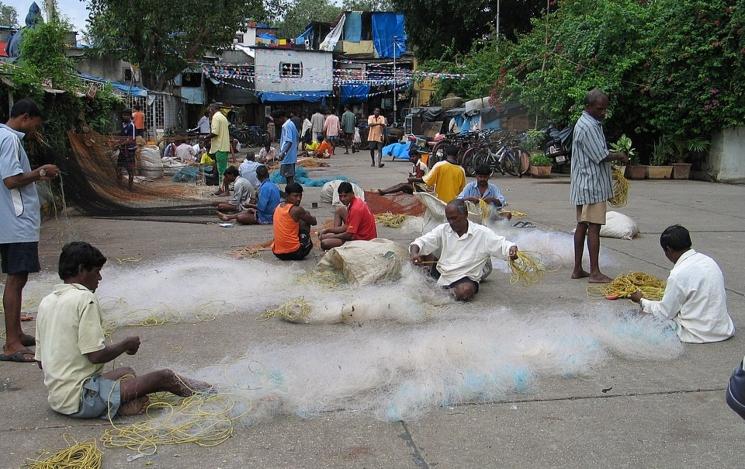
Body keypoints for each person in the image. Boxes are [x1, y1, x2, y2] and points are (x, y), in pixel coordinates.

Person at [35, 242, 210, 418]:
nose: (100, 278)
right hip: (82, 399)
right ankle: (213, 393)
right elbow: (95, 355)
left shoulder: (46, 302)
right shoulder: (84, 298)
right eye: (96, 271)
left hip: (58, 399)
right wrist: (126, 344)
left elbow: (41, 362)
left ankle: (122, 404)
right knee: (164, 377)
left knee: (125, 372)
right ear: (82, 270)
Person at [0, 98, 60, 363]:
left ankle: (16, 333)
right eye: (34, 125)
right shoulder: (10, 140)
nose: (34, 131)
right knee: (16, 278)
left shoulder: (5, 137)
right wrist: (40, 172)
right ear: (25, 117)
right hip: (16, 221)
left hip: (12, 220)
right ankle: (12, 342)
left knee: (19, 278)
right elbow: (11, 180)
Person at [629, 225, 735, 344]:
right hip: (721, 329)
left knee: (633, 316)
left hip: (696, 333)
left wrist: (642, 301)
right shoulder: (709, 261)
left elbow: (664, 313)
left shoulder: (678, 274)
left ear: (668, 250)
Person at [570, 89, 629, 283]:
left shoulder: (590, 123)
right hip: (591, 185)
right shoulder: (589, 126)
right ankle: (594, 272)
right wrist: (619, 155)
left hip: (584, 183)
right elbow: (601, 155)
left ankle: (578, 268)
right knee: (593, 228)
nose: (603, 112)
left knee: (582, 225)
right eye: (599, 109)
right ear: (588, 107)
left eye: (605, 109)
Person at [410, 199, 519, 302]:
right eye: (449, 219)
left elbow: (502, 244)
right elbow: (421, 242)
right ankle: (433, 285)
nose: (451, 222)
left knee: (465, 290)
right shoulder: (443, 229)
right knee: (419, 253)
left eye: (454, 218)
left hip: (464, 278)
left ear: (465, 215)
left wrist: (511, 250)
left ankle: (437, 293)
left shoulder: (482, 233)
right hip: (443, 273)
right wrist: (415, 254)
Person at [319, 182, 377, 250]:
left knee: (324, 243)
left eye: (345, 196)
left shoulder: (356, 208)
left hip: (364, 240)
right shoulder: (354, 202)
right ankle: (333, 235)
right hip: (356, 233)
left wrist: (334, 237)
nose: (342, 199)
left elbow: (349, 235)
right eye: (340, 196)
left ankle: (335, 238)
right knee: (323, 235)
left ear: (352, 194)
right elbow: (346, 226)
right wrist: (327, 230)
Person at [272, 183, 317, 261]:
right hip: (295, 253)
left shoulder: (278, 207)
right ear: (287, 195)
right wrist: (309, 216)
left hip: (277, 253)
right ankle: (303, 243)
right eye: (295, 196)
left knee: (298, 219)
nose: (298, 199)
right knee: (305, 218)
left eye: (300, 196)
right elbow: (314, 222)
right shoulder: (297, 210)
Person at [207, 104, 231, 196]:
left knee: (222, 172)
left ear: (213, 110)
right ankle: (224, 189)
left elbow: (215, 132)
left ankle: (224, 190)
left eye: (210, 111)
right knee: (223, 170)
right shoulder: (223, 117)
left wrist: (205, 138)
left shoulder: (216, 117)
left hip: (219, 147)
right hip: (223, 146)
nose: (209, 113)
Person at [274, 110, 299, 186]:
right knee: (290, 177)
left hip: (288, 157)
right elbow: (297, 137)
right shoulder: (291, 124)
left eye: (276, 120)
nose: (276, 122)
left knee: (289, 178)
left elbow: (288, 141)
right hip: (292, 156)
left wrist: (282, 153)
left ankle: (291, 193)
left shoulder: (286, 126)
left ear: (281, 118)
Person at [118, 111, 137, 191]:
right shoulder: (122, 125)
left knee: (130, 169)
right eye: (123, 115)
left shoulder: (131, 126)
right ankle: (120, 185)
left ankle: (130, 187)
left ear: (130, 116)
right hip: (122, 149)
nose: (125, 116)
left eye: (127, 115)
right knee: (119, 167)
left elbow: (131, 139)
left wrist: (119, 143)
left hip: (129, 150)